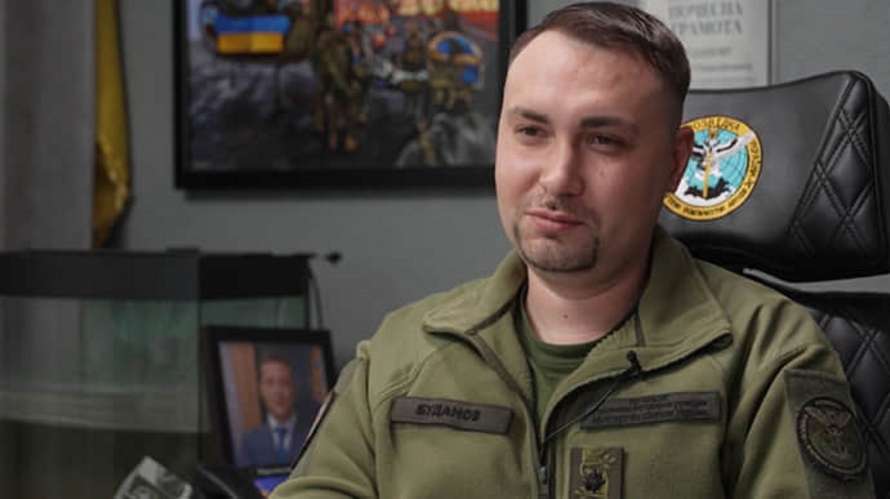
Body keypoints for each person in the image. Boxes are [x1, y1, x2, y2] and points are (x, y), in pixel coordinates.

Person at [272, 2, 875, 497]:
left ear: (674, 165)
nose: (559, 177)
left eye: (604, 140)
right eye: (531, 131)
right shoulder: (398, 357)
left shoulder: (768, 356)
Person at [239, 355, 310, 468]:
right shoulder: (249, 441)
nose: (277, 392)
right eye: (270, 383)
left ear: (294, 387)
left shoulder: (313, 435)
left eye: (284, 382)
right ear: (260, 389)